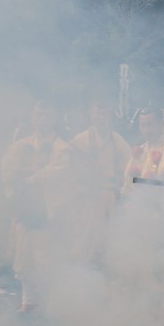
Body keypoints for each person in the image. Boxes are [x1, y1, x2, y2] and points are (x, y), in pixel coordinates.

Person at [1, 101, 72, 312]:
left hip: (48, 212)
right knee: (25, 258)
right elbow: (9, 171)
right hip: (24, 209)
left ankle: (51, 304)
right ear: (32, 118)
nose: (43, 120)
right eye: (39, 115)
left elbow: (58, 173)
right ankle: (28, 302)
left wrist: (30, 177)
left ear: (55, 119)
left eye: (47, 115)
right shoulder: (19, 145)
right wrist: (23, 184)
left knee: (47, 260)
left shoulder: (62, 148)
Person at [66, 100, 132, 266]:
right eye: (98, 113)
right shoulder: (79, 141)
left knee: (108, 242)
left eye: (105, 114)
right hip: (88, 199)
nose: (101, 117)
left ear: (110, 116)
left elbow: (129, 168)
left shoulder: (118, 141)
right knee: (84, 241)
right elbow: (71, 171)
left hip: (111, 198)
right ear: (91, 116)